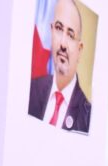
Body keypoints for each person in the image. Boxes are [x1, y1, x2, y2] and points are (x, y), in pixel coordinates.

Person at [27, 0, 91, 134]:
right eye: (59, 28)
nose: (62, 43)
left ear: (79, 50)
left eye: (71, 35)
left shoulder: (88, 118)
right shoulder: (31, 90)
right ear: (51, 32)